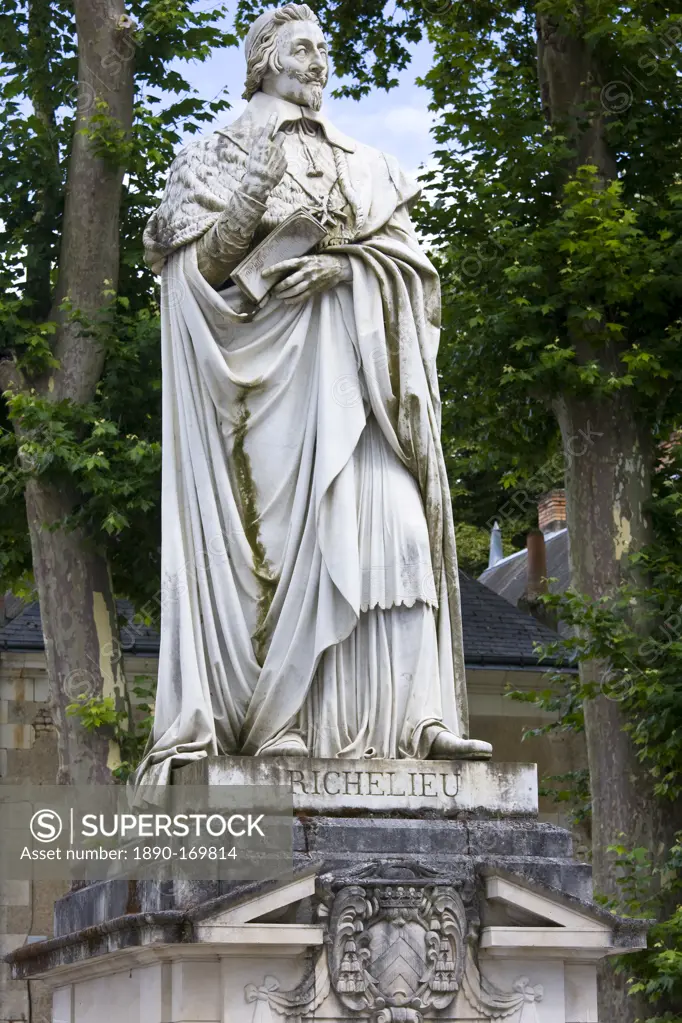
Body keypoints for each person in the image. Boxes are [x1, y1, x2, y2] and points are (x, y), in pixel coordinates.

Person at [137, 3, 492, 788]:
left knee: (400, 531)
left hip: (365, 384)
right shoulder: (216, 152)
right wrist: (249, 203)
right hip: (270, 398)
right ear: (262, 59)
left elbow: (418, 282)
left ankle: (417, 720)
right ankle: (283, 724)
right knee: (294, 555)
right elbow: (198, 275)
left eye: (325, 50)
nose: (320, 62)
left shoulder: (365, 163)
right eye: (302, 48)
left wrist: (347, 269)